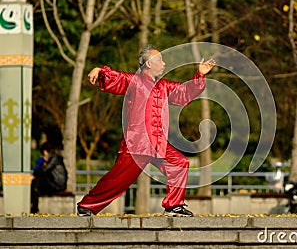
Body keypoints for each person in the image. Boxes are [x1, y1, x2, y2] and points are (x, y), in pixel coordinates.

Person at [77, 45, 216, 217]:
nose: (164, 64)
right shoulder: (134, 81)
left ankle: (173, 206)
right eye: (160, 60)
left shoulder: (164, 86)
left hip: (158, 143)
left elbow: (184, 92)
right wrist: (100, 70)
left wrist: (199, 75)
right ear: (148, 64)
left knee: (179, 163)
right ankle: (87, 206)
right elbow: (117, 78)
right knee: (118, 180)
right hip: (137, 144)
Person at [31, 141, 68, 213]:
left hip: (57, 185)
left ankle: (34, 208)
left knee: (36, 181)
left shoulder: (54, 158)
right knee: (37, 182)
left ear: (45, 152)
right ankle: (34, 206)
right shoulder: (56, 158)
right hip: (55, 183)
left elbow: (43, 170)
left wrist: (42, 163)